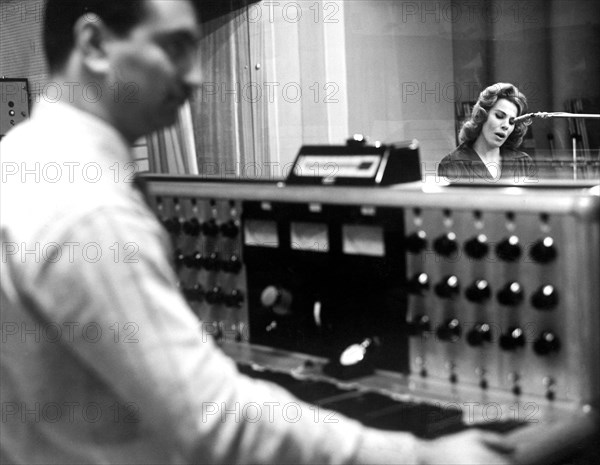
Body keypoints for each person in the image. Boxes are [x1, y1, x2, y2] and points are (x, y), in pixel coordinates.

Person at [1, 1, 516, 464]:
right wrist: (420, 458)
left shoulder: (21, 160)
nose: (196, 77)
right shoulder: (94, 210)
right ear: (93, 44)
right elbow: (213, 418)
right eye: (176, 47)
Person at [438, 82, 535, 182]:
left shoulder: (523, 163)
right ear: (482, 115)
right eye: (499, 116)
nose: (506, 125)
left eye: (512, 122)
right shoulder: (453, 164)